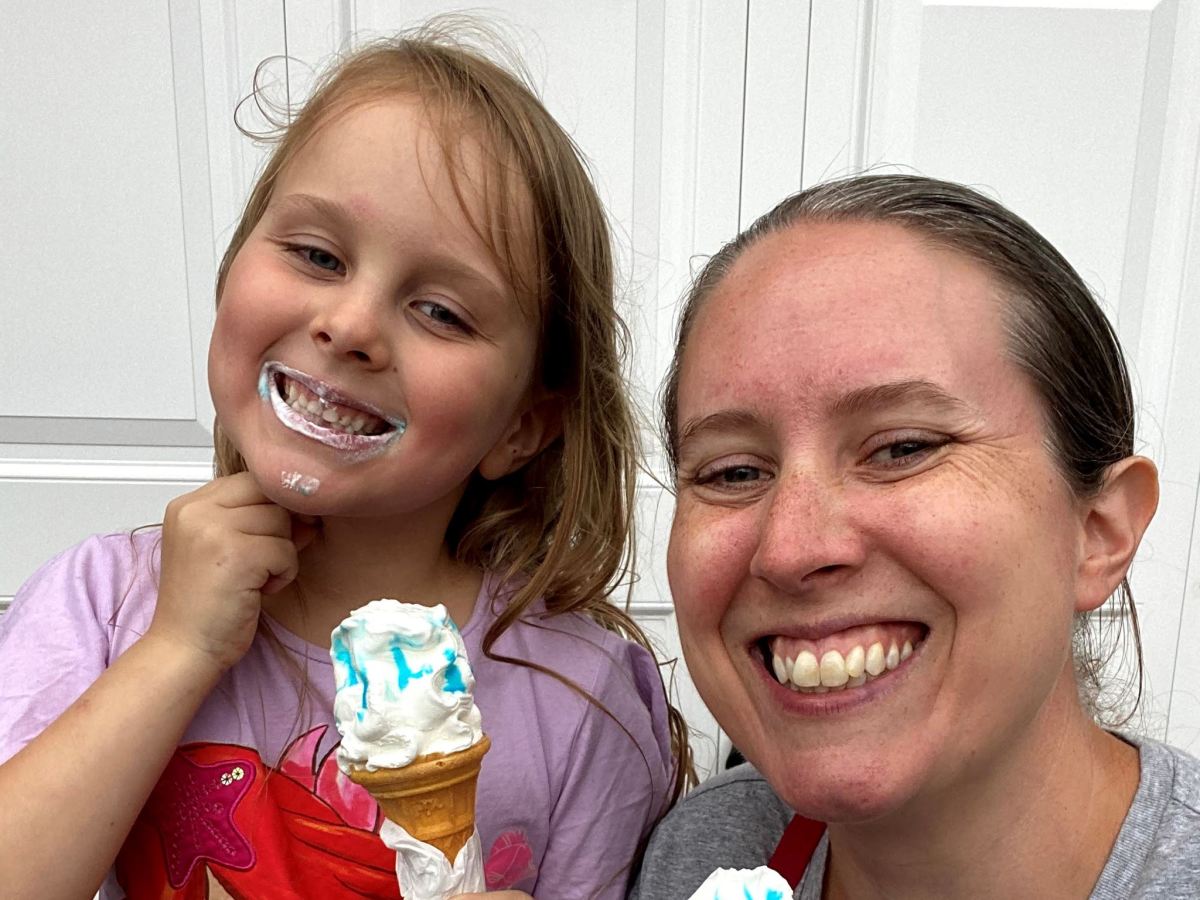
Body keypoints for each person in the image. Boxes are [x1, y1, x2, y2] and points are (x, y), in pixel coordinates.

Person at [0, 24, 692, 900]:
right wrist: (175, 651)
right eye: (317, 255)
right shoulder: (101, 609)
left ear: (522, 425)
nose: (352, 325)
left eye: (441, 311)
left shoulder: (580, 698)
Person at [631, 174, 1200, 898]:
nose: (791, 548)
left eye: (903, 448)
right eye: (734, 470)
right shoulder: (702, 850)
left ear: (1100, 530)